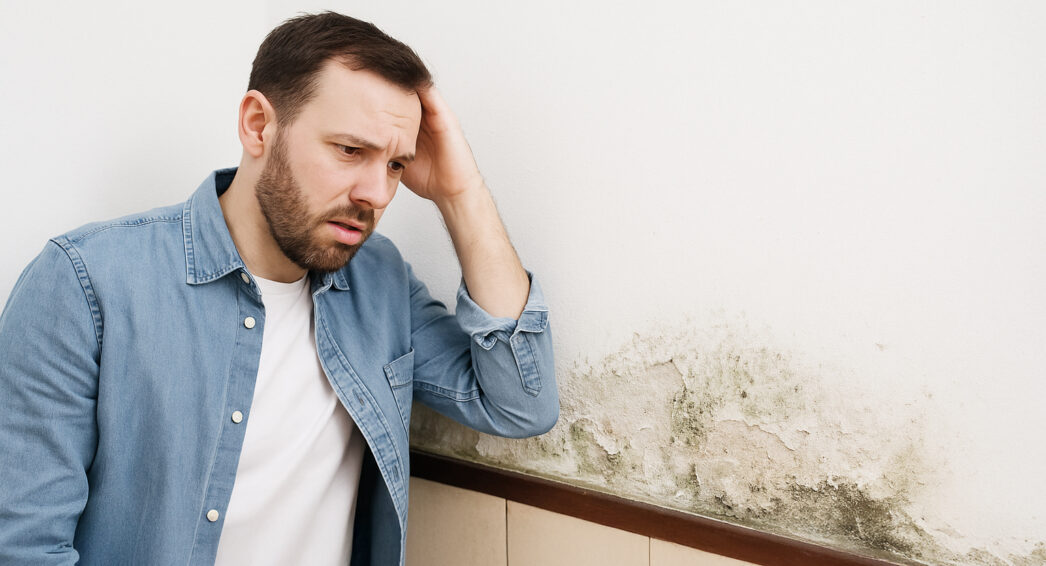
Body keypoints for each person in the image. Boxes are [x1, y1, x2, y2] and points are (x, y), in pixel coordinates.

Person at [0, 11, 558, 566]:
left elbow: (520, 404)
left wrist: (460, 192)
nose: (377, 193)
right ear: (258, 125)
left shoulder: (379, 281)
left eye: (395, 165)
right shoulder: (86, 283)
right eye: (350, 150)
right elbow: (25, 548)